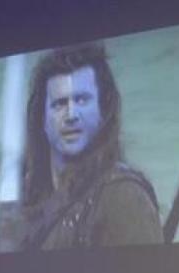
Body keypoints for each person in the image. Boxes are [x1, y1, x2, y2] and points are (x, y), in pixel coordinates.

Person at [20, 43, 163, 250]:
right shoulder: (30, 196)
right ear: (42, 118)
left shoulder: (124, 197)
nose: (71, 115)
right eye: (59, 104)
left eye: (81, 100)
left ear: (103, 110)